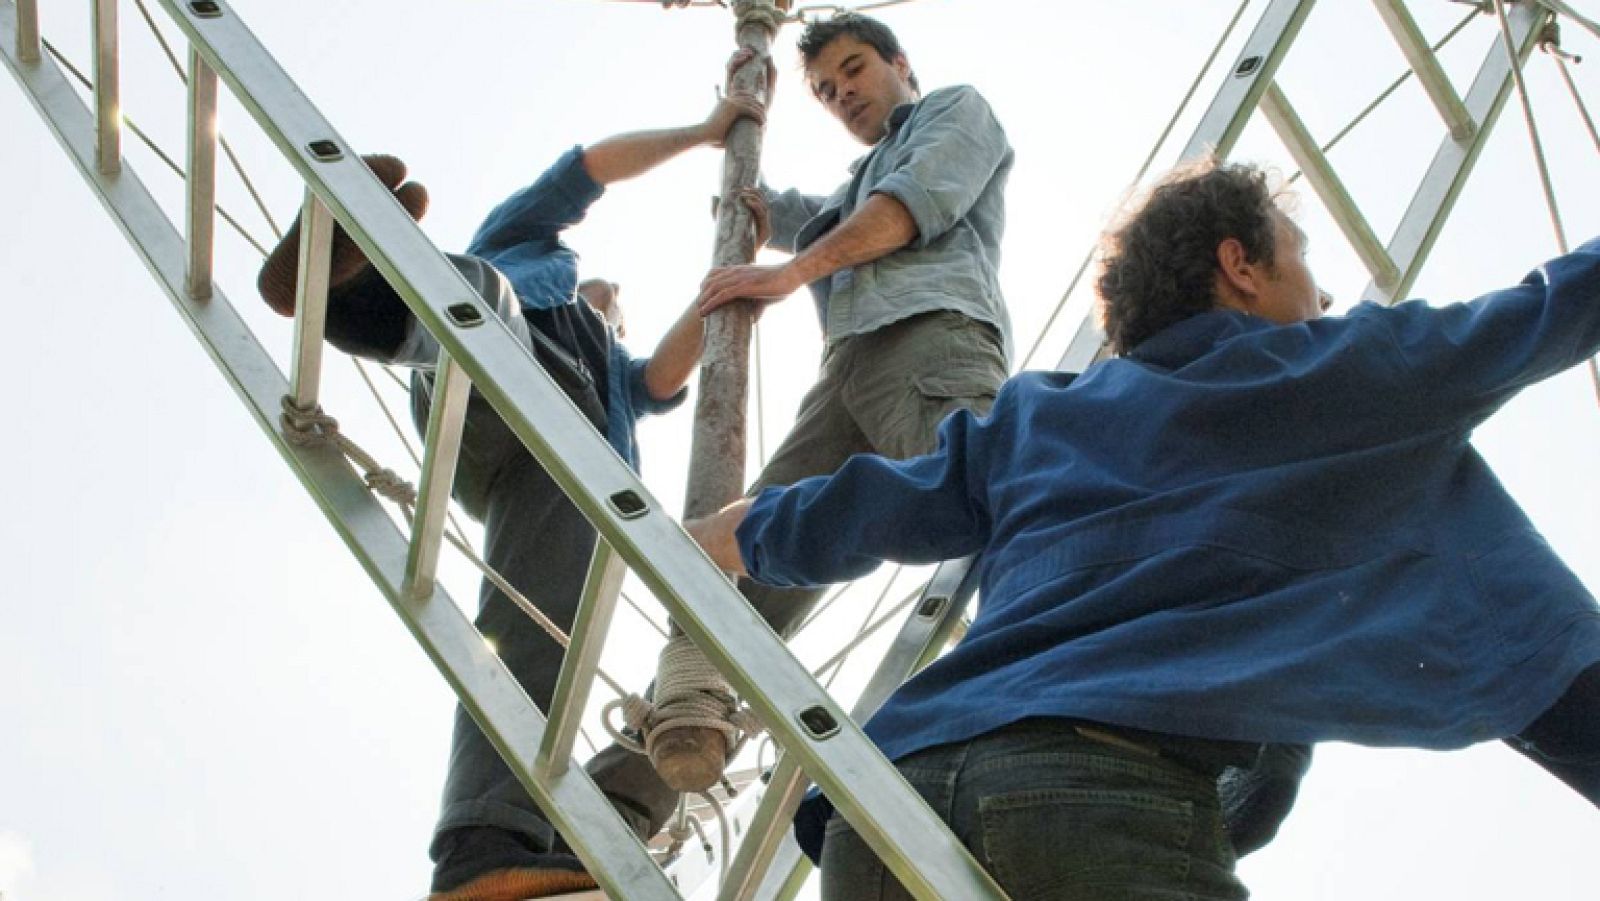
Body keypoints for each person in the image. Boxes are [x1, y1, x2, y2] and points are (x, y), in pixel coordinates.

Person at [685, 158, 1600, 898]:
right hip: (1096, 802)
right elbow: (1549, 308)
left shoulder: (1037, 415)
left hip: (886, 805)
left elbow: (868, 503)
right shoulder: (1339, 367)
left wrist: (717, 534)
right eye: (1305, 265)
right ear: (1241, 265)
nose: (1323, 301)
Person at [255, 88, 766, 900]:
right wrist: (706, 132)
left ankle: (487, 842)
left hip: (566, 467)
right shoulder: (527, 254)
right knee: (484, 297)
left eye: (617, 306)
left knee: (542, 642)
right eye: (603, 292)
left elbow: (667, 373)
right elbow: (589, 168)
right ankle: (352, 292)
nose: (608, 303)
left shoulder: (615, 377)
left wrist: (730, 290)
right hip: (486, 387)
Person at [651, 11, 1017, 788]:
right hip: (846, 371)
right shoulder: (857, 181)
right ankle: (641, 781)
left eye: (853, 71)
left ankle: (1037, 709)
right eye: (824, 91)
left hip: (930, 339)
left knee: (992, 502)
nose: (841, 94)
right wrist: (745, 188)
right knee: (746, 551)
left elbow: (904, 210)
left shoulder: (956, 110)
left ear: (898, 63)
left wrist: (786, 273)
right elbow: (816, 214)